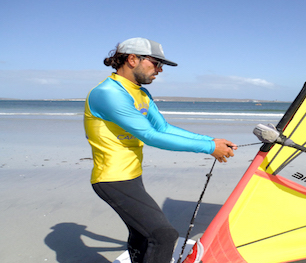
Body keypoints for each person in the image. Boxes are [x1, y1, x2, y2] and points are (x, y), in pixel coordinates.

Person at [84, 37, 237, 263]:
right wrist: (208, 147)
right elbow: (150, 136)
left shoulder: (141, 93)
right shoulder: (108, 93)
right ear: (133, 59)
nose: (160, 70)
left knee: (142, 234)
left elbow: (163, 128)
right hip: (112, 179)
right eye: (156, 63)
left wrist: (210, 140)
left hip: (132, 175)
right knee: (163, 234)